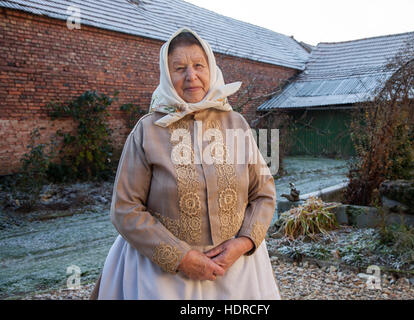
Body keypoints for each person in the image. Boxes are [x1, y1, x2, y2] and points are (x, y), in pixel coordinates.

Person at [90, 27, 280, 300]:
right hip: (162, 277)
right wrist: (181, 257)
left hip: (238, 272)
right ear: (167, 76)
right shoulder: (147, 130)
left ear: (211, 69)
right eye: (179, 68)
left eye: (198, 65)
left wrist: (244, 242)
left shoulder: (236, 124)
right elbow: (125, 208)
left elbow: (263, 193)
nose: (191, 76)